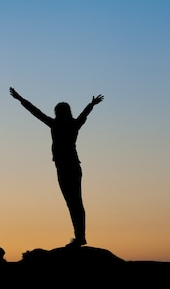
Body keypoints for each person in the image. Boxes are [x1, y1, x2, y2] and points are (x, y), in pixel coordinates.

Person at [9, 87, 104, 247]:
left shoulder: (55, 124)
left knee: (73, 203)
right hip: (73, 167)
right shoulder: (73, 125)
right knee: (76, 202)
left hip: (65, 168)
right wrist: (91, 104)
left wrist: (20, 99)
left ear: (57, 112)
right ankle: (80, 236)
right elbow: (83, 115)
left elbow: (35, 112)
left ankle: (80, 237)